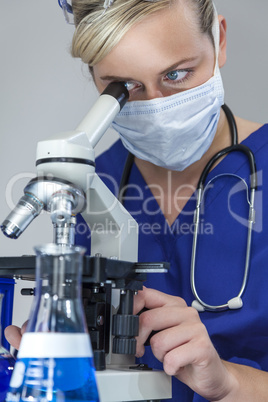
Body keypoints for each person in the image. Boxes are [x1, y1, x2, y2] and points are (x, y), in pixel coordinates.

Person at [5, 0, 268, 400]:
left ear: (220, 41)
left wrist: (229, 383)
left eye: (177, 73)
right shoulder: (97, 184)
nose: (156, 105)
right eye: (124, 87)